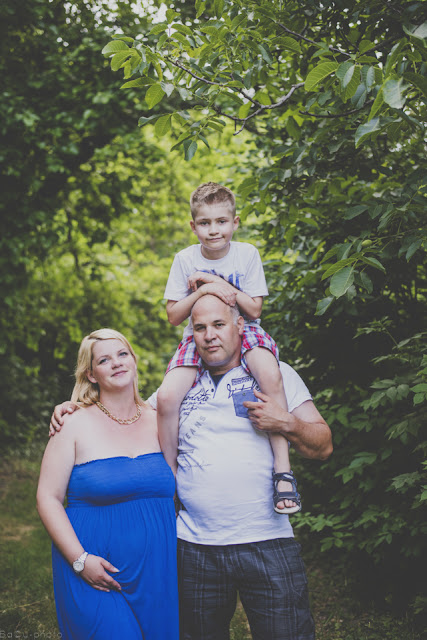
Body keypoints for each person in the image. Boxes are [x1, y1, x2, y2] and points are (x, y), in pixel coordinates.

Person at [150, 295, 333, 640]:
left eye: (218, 325)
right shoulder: (178, 383)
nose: (209, 335)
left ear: (239, 326)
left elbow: (323, 445)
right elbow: (124, 422)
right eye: (200, 328)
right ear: (191, 334)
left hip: (268, 541)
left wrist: (286, 422)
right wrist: (76, 407)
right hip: (194, 545)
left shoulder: (275, 375)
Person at [157, 181, 299, 514]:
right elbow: (174, 316)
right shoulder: (185, 259)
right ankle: (169, 477)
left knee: (271, 376)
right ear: (193, 226)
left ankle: (282, 469)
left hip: (244, 330)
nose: (213, 230)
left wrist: (216, 282)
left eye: (221, 221)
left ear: (235, 222)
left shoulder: (246, 254)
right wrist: (201, 290)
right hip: (197, 336)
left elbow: (254, 310)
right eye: (205, 223)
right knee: (166, 397)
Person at [37, 329, 179, 640]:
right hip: (93, 567)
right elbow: (48, 497)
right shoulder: (72, 423)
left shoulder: (161, 420)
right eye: (104, 360)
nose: (116, 363)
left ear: (134, 360)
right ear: (91, 374)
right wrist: (79, 560)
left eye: (122, 354)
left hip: (157, 570)